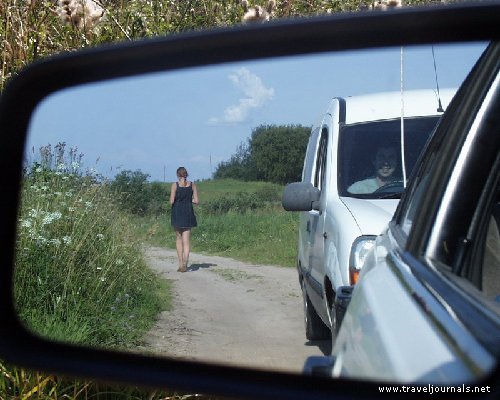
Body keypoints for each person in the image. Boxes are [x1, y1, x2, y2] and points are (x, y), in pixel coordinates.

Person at [170, 167, 199, 272]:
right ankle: (185, 263)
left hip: (177, 212)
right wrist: (189, 199)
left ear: (178, 175)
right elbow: (196, 201)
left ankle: (180, 263)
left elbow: (171, 201)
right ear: (186, 174)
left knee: (179, 239)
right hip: (188, 212)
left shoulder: (175, 185)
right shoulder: (192, 185)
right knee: (186, 241)